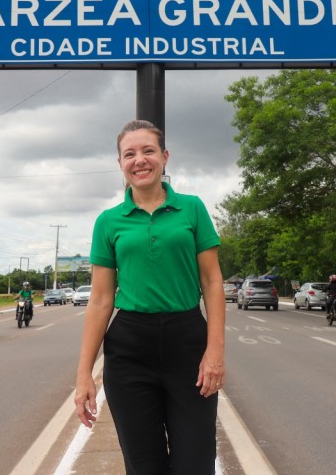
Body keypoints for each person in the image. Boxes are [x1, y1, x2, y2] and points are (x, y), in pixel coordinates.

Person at [74, 119, 226, 475]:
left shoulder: (192, 208)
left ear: (164, 157)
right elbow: (100, 300)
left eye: (148, 151)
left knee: (196, 464)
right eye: (129, 154)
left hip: (187, 344)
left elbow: (212, 281)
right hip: (130, 351)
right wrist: (84, 375)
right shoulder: (108, 221)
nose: (139, 160)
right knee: (144, 467)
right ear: (120, 164)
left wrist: (215, 352)